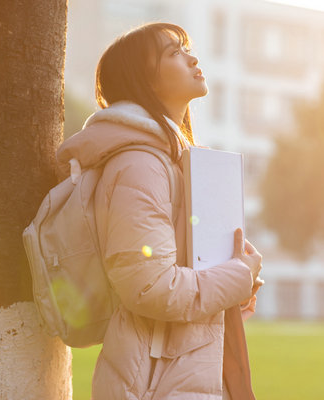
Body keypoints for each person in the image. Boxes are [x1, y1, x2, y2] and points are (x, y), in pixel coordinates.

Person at [56, 22, 263, 400]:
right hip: (152, 384)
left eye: (186, 48)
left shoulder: (171, 161)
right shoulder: (139, 165)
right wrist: (236, 276)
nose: (193, 58)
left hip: (177, 375)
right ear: (145, 80)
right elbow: (150, 288)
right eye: (174, 53)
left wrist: (234, 287)